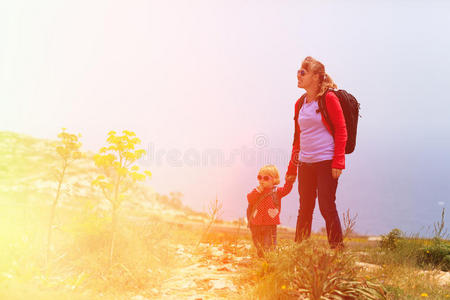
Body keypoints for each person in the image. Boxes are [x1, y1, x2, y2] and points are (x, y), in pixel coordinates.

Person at [286, 56, 347, 249]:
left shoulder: (328, 99)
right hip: (305, 162)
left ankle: (337, 251)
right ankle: (300, 249)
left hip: (326, 161)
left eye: (302, 72)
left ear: (315, 76)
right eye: (298, 72)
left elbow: (341, 130)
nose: (298, 75)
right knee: (304, 208)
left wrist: (338, 162)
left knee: (326, 207)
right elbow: (298, 139)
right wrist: (291, 169)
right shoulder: (300, 103)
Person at [247, 165, 295, 257]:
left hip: (269, 224)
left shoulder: (277, 192)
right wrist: (257, 191)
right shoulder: (257, 191)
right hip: (256, 223)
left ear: (274, 180)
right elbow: (249, 199)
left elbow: (286, 190)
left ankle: (269, 260)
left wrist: (289, 181)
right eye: (259, 177)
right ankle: (261, 259)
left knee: (269, 244)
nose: (261, 180)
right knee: (258, 244)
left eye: (265, 178)